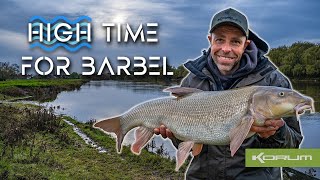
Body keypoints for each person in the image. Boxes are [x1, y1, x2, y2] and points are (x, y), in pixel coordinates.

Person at [154, 8, 303, 180]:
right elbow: (187, 141)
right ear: (210, 41)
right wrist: (174, 134)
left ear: (246, 44)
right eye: (220, 40)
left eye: (235, 42)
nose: (226, 49)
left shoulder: (273, 83)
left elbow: (292, 149)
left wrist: (275, 134)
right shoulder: (193, 80)